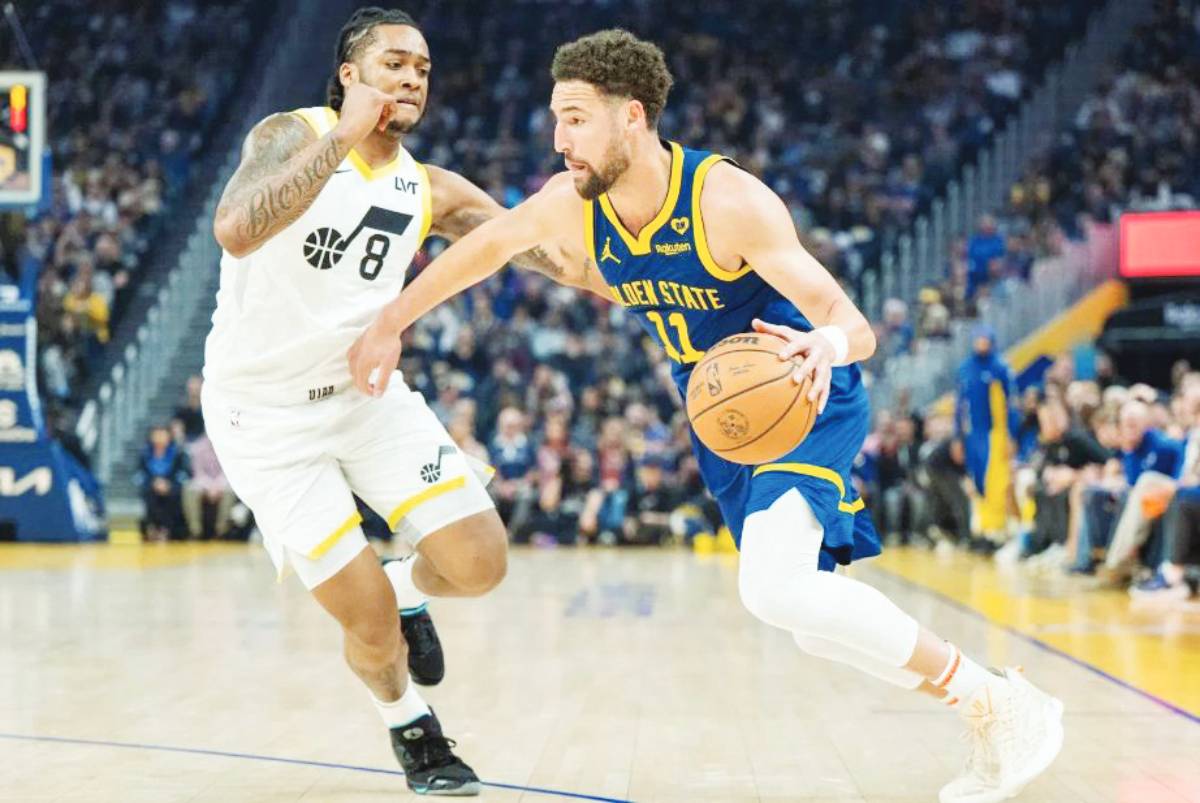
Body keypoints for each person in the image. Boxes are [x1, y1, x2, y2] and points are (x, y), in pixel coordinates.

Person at [349, 29, 1064, 802]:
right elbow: (485, 250)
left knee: (771, 587)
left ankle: (1000, 704)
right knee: (804, 620)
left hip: (800, 391)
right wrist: (392, 320)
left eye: (577, 118)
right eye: (555, 118)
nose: (559, 139)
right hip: (722, 419)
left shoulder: (728, 201)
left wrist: (824, 344)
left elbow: (853, 326)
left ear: (632, 117)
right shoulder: (575, 206)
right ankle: (989, 702)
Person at [203, 7, 571, 796]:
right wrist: (342, 135)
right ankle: (412, 726)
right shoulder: (290, 133)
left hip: (364, 397)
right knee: (366, 626)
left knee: (480, 564)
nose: (410, 78)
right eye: (394, 63)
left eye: (422, 70)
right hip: (264, 419)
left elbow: (544, 253)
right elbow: (234, 230)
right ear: (348, 75)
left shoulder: (428, 187)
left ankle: (410, 588)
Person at [956, 325, 1019, 549]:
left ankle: (997, 529)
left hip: (995, 433)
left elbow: (1011, 405)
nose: (981, 343)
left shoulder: (1001, 368)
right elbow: (960, 406)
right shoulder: (965, 368)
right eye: (978, 339)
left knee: (995, 481)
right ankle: (982, 529)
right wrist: (958, 437)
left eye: (985, 340)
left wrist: (1012, 435)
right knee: (977, 479)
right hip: (973, 435)